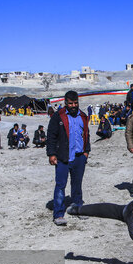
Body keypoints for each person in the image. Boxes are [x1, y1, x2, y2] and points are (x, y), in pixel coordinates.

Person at [47, 90, 91, 226]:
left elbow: (86, 134)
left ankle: (77, 208)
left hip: (79, 157)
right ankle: (58, 214)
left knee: (77, 184)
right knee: (61, 185)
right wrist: (51, 154)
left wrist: (86, 152)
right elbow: (51, 137)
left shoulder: (83, 116)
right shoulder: (58, 116)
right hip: (63, 157)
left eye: (75, 103)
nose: (73, 105)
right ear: (66, 103)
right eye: (70, 103)